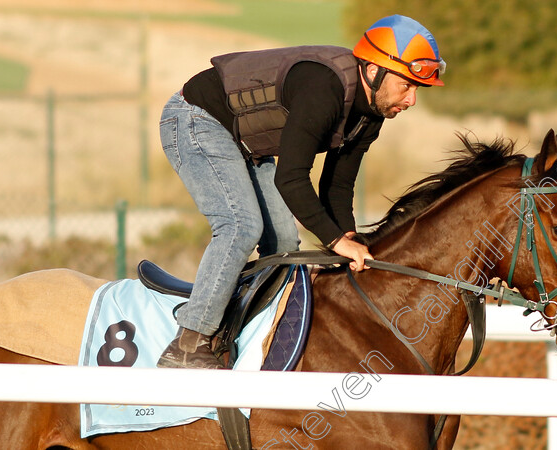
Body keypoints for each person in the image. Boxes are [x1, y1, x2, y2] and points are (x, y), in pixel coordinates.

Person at [156, 15, 445, 369]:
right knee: (241, 226)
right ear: (374, 71)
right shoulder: (324, 88)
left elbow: (337, 185)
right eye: (407, 86)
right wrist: (335, 241)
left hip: (245, 142)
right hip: (195, 118)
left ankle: (237, 332)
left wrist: (349, 238)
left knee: (284, 245)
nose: (412, 99)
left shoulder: (370, 115)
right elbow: (291, 178)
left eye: (418, 89)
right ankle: (188, 344)